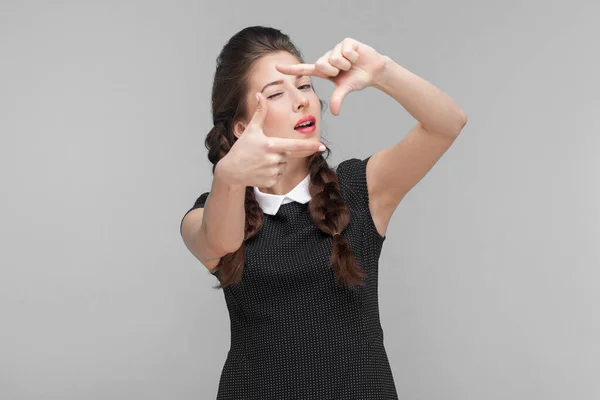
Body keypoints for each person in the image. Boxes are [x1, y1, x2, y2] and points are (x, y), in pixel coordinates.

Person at [180, 26, 466, 400]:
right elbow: (219, 239)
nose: (301, 101)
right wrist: (229, 175)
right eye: (277, 94)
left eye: (304, 86)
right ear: (240, 128)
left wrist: (382, 72)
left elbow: (447, 123)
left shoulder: (359, 189)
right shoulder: (212, 209)